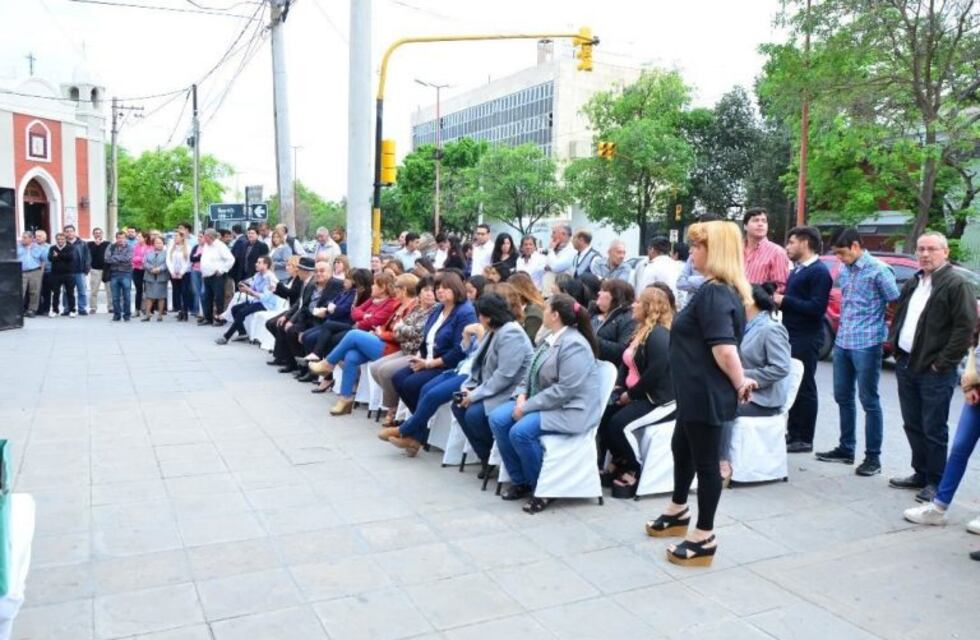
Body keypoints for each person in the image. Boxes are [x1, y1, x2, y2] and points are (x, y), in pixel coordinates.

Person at [644, 220, 753, 568]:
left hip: (706, 393)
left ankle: (704, 535)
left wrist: (739, 382)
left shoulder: (715, 292)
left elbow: (723, 349)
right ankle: (678, 510)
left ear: (715, 251)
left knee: (707, 465)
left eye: (697, 247)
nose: (691, 252)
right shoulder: (712, 289)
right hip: (693, 391)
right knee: (682, 449)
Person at [488, 293, 600, 513]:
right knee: (498, 419)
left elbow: (565, 391)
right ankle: (521, 480)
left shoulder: (574, 344)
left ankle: (542, 488)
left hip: (570, 409)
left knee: (520, 432)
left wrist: (526, 407)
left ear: (555, 315)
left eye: (546, 309)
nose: (543, 312)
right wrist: (521, 394)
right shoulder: (550, 337)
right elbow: (529, 371)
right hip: (542, 400)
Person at [886, 231, 976, 503]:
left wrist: (942, 363)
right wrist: (896, 347)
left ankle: (936, 481)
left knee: (933, 428)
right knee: (912, 423)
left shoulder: (955, 283)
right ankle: (921, 473)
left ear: (945, 252)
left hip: (935, 370)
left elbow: (966, 327)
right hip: (907, 363)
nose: (925, 254)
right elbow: (900, 315)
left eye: (932, 249)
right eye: (921, 249)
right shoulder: (915, 282)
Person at [816, 228, 900, 476]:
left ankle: (873, 458)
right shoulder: (845, 270)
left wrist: (888, 335)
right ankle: (846, 448)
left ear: (855, 246)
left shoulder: (879, 270)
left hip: (867, 343)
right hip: (843, 341)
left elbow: (895, 303)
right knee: (843, 396)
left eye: (841, 253)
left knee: (869, 401)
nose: (839, 259)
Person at [903, 327, 980, 559]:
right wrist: (970, 383)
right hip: (976, 390)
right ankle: (938, 508)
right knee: (959, 449)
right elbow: (974, 345)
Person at [598, 286, 675, 498]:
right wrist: (620, 385)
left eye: (639, 302)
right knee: (605, 418)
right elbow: (627, 361)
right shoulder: (640, 330)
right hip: (636, 393)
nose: (634, 305)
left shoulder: (659, 335)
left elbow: (655, 372)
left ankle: (635, 467)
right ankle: (620, 459)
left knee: (619, 425)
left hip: (658, 399)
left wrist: (630, 395)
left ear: (649, 308)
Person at [388, 273, 478, 448]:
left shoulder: (464, 312)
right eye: (438, 288)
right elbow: (427, 336)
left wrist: (429, 363)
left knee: (412, 384)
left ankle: (413, 433)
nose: (439, 291)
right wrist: (421, 358)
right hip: (428, 358)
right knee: (398, 378)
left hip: (446, 363)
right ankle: (418, 431)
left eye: (444, 288)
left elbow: (459, 350)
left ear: (456, 289)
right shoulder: (438, 309)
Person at [312, 274, 423, 410]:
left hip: (395, 349)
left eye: (397, 287)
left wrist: (382, 334)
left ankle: (328, 363)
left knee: (353, 334)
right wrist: (379, 331)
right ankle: (345, 399)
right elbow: (379, 323)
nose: (394, 290)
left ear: (404, 290)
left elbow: (400, 334)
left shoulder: (413, 308)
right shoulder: (398, 305)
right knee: (351, 356)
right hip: (384, 341)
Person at [719, 283, 792, 484]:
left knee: (722, 406)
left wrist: (742, 376)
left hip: (764, 400)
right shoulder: (744, 327)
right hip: (742, 390)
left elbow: (780, 368)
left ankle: (722, 462)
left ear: (748, 303)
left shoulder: (771, 329)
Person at [452, 293, 534, 468]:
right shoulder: (494, 331)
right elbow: (479, 365)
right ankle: (485, 456)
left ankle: (493, 455)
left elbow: (504, 376)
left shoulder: (511, 333)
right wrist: (469, 388)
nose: (478, 319)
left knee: (474, 414)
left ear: (489, 317)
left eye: (480, 315)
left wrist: (474, 395)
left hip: (510, 391)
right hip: (490, 386)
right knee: (458, 406)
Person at [776, 226, 833, 453]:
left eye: (791, 242)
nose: (787, 247)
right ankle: (794, 432)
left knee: (805, 386)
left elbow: (816, 308)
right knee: (793, 384)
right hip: (791, 333)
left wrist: (784, 300)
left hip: (807, 337)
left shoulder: (819, 272)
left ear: (804, 243)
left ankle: (805, 437)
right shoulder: (798, 270)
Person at [306, 271, 399, 393]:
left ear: (383, 288)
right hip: (361, 330)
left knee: (339, 337)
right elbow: (355, 312)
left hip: (371, 335)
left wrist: (364, 318)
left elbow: (373, 321)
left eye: (375, 284)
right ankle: (345, 398)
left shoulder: (391, 303)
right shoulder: (372, 299)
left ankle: (328, 366)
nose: (372, 286)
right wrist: (366, 315)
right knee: (350, 355)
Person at [370, 276, 437, 425]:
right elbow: (397, 330)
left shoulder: (434, 311)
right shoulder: (418, 309)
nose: (429, 294)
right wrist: (403, 330)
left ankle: (392, 410)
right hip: (404, 348)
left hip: (415, 352)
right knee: (374, 367)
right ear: (419, 293)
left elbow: (418, 335)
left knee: (386, 371)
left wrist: (402, 329)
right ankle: (394, 401)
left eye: (432, 291)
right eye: (426, 290)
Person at [300, 269, 372, 372]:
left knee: (325, 338)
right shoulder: (348, 292)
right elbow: (335, 304)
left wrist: (335, 309)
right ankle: (317, 367)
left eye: (348, 279)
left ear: (356, 282)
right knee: (307, 336)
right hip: (338, 322)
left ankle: (323, 369)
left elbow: (349, 312)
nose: (344, 281)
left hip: (348, 324)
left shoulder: (359, 294)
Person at [267, 257, 318, 367]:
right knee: (277, 323)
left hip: (305, 317)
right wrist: (287, 317)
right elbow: (298, 303)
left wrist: (291, 319)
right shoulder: (304, 282)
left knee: (289, 329)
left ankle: (294, 363)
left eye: (299, 269)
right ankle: (285, 357)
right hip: (297, 312)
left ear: (305, 271)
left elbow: (303, 306)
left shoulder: (311, 284)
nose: (297, 271)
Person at [216, 256, 279, 344]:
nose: (256, 264)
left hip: (266, 304)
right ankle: (242, 333)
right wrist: (243, 285)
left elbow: (264, 297)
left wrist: (248, 290)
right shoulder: (257, 275)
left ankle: (226, 337)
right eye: (257, 262)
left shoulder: (270, 278)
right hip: (256, 301)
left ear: (266, 265)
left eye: (259, 262)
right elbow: (251, 285)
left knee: (241, 312)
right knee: (234, 309)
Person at [743, 207, 789, 291]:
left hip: (759, 302)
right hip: (732, 301)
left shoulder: (777, 252)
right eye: (755, 220)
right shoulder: (736, 249)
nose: (760, 224)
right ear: (745, 226)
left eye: (764, 221)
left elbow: (781, 287)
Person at [592, 279, 636, 366]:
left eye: (604, 290)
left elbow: (622, 350)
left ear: (616, 296)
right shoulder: (593, 313)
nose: (599, 293)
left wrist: (592, 340)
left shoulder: (628, 319)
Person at [198, 229, 236, 326]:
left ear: (210, 236)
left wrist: (221, 270)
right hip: (206, 276)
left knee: (219, 298)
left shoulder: (220, 246)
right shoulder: (206, 245)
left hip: (217, 276)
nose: (203, 238)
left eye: (205, 236)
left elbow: (230, 259)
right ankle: (208, 318)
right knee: (207, 297)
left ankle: (220, 319)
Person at [507, 272, 545, 342]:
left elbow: (527, 342)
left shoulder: (533, 314)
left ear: (520, 293)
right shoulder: (518, 309)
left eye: (510, 293)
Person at [105, 231, 134, 321]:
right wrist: (120, 258)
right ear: (116, 238)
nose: (121, 240)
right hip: (114, 274)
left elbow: (127, 258)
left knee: (127, 296)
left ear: (125, 238)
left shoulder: (129, 247)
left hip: (126, 273)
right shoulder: (111, 246)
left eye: (122, 238)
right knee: (115, 296)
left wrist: (115, 258)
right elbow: (107, 259)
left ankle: (127, 315)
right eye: (119, 238)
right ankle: (116, 315)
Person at [63, 225, 91, 316]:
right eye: (67, 231)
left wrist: (86, 269)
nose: (69, 233)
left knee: (82, 291)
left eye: (71, 231)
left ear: (74, 232)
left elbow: (87, 257)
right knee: (66, 292)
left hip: (80, 271)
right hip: (67, 272)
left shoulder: (82, 243)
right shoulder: (62, 243)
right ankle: (67, 308)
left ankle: (82, 308)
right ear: (65, 233)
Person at [167, 231, 194, 322]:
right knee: (176, 293)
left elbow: (188, 262)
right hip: (174, 273)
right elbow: (168, 260)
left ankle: (185, 311)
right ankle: (179, 311)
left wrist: (182, 272)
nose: (175, 238)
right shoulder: (171, 248)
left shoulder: (188, 248)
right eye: (175, 237)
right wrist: (172, 272)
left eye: (177, 236)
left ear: (182, 238)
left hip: (185, 273)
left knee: (184, 292)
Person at [141, 236, 169, 322]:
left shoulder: (167, 253)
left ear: (163, 244)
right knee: (149, 296)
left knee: (161, 296)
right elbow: (144, 262)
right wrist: (151, 268)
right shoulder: (148, 252)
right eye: (156, 242)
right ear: (153, 244)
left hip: (162, 277)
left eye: (160, 243)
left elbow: (167, 263)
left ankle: (160, 315)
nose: (158, 244)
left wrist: (159, 269)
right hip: (149, 276)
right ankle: (147, 314)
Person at [48, 233, 76, 317]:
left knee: (70, 293)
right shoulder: (52, 248)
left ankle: (72, 310)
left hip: (68, 274)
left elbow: (70, 257)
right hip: (56, 274)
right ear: (56, 239)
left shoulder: (70, 247)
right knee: (56, 293)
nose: (60, 241)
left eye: (62, 239)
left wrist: (58, 255)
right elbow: (50, 258)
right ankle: (55, 310)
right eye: (58, 239)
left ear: (65, 240)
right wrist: (62, 257)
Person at [18, 232, 45, 318]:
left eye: (25, 238)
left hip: (35, 271)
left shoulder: (38, 248)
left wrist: (41, 272)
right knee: (20, 291)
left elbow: (43, 260)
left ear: (31, 239)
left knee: (34, 292)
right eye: (23, 237)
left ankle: (32, 310)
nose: (23, 239)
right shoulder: (18, 247)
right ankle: (18, 310)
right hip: (21, 272)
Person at [87, 228, 111, 315]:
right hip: (95, 270)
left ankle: (110, 307)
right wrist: (96, 245)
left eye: (99, 233)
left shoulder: (107, 244)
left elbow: (110, 255)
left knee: (109, 290)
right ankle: (93, 307)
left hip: (106, 270)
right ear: (93, 234)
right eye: (96, 233)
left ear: (102, 234)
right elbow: (89, 255)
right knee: (94, 290)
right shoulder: (90, 244)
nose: (98, 234)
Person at [34, 229, 53, 316]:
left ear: (45, 238)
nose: (37, 238)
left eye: (39, 236)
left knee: (47, 292)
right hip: (35, 272)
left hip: (48, 272)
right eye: (36, 236)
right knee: (36, 291)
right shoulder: (32, 247)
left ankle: (46, 309)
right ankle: (38, 309)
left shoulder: (50, 247)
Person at [132, 232, 151, 316]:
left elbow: (148, 259)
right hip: (137, 270)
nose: (138, 238)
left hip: (147, 270)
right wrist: (140, 259)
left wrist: (139, 259)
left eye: (140, 237)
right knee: (139, 290)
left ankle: (146, 309)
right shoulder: (135, 247)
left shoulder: (150, 248)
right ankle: (137, 309)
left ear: (145, 238)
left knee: (147, 290)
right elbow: (133, 258)